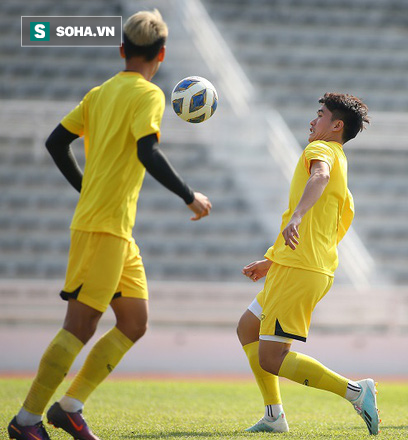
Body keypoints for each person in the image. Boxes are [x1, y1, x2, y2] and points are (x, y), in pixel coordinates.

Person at [7, 10, 212, 440]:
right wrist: (189, 195)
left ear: (122, 50)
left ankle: (70, 408)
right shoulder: (150, 95)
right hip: (103, 228)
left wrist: (86, 188)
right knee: (78, 328)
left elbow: (56, 142)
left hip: (115, 229)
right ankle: (26, 421)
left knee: (134, 322)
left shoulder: (100, 93)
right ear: (161, 54)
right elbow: (147, 152)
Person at [236, 93, 379, 435]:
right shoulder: (341, 161)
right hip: (296, 265)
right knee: (247, 328)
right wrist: (272, 262)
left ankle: (357, 392)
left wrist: (297, 215)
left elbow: (319, 177)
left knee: (271, 357)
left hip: (301, 269)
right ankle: (274, 415)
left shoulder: (321, 152)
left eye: (320, 115)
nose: (313, 122)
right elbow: (328, 228)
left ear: (336, 125)